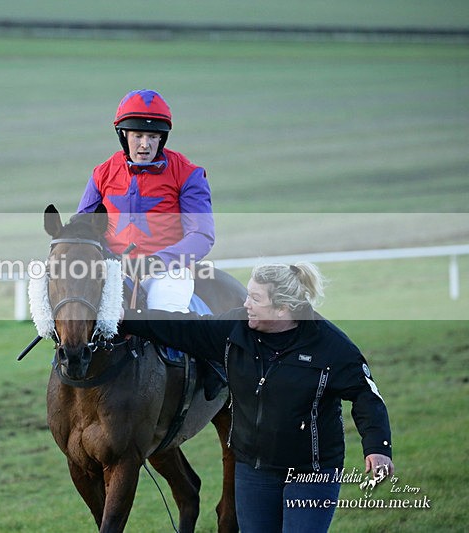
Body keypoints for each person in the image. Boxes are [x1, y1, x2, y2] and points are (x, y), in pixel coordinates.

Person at [119, 262, 394, 532]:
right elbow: (184, 328)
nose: (246, 303)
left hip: (312, 472)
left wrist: (377, 447)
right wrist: (122, 317)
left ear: (282, 309)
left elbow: (365, 395)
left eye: (255, 298)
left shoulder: (330, 346)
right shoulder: (236, 328)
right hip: (254, 470)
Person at [77, 89, 214, 313]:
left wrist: (156, 261)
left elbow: (201, 235)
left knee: (163, 317)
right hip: (112, 271)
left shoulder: (189, 174)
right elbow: (81, 228)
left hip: (169, 272)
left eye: (152, 136)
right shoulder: (102, 173)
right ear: (124, 135)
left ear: (162, 138)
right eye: (137, 136)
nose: (145, 145)